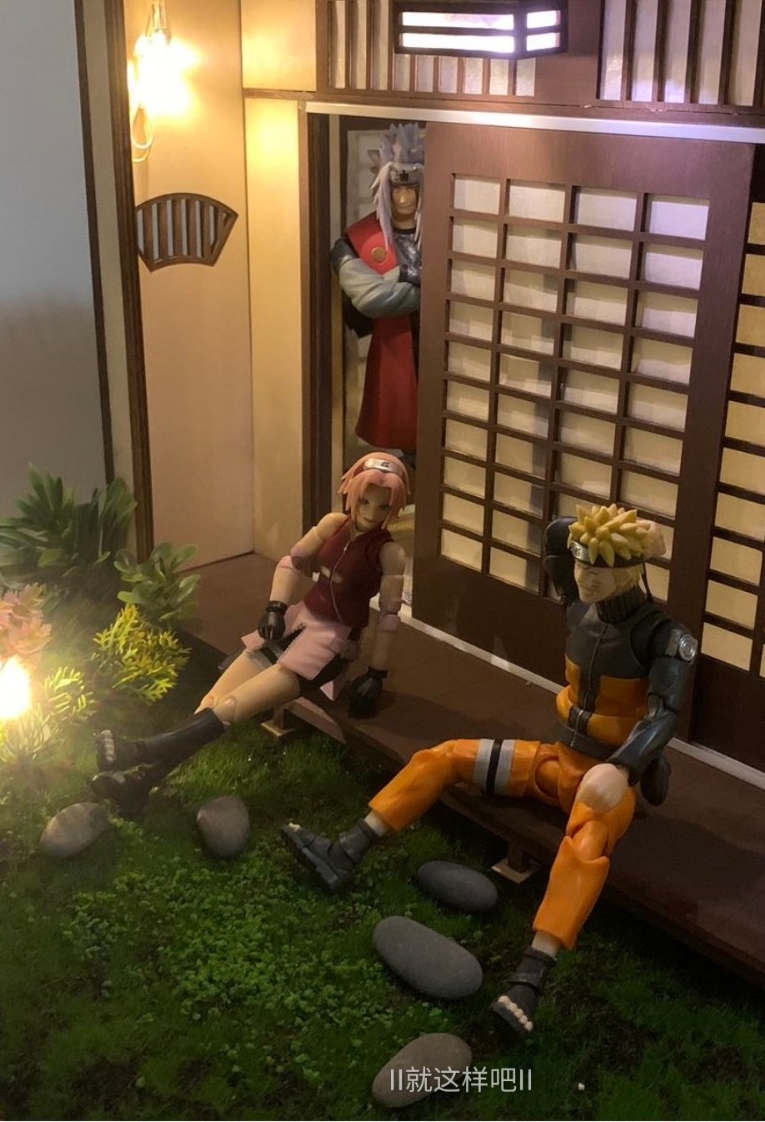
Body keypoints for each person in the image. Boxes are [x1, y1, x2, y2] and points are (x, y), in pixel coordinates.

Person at [283, 504, 697, 1039]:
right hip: (554, 763)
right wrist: (601, 528)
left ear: (634, 570)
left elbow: (664, 714)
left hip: (606, 784)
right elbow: (554, 538)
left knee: (585, 845)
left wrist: (623, 768)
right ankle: (346, 850)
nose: (586, 576)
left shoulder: (664, 637)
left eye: (602, 566)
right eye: (583, 562)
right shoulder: (580, 608)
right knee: (443, 756)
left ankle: (530, 979)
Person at [90, 453, 409, 818]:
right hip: (295, 621)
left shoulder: (389, 553)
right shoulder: (333, 524)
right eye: (364, 501)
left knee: (232, 707)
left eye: (382, 506)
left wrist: (376, 674)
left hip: (329, 645)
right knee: (212, 700)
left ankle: (136, 752)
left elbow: (389, 617)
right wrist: (275, 606)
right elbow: (292, 561)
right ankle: (140, 784)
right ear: (351, 493)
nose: (370, 512)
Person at [332, 123, 423, 458]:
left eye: (412, 188)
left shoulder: (445, 233)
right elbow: (373, 299)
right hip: (392, 349)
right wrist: (418, 280)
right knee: (403, 434)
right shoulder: (351, 243)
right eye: (396, 188)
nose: (404, 198)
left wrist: (400, 281)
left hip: (441, 349)